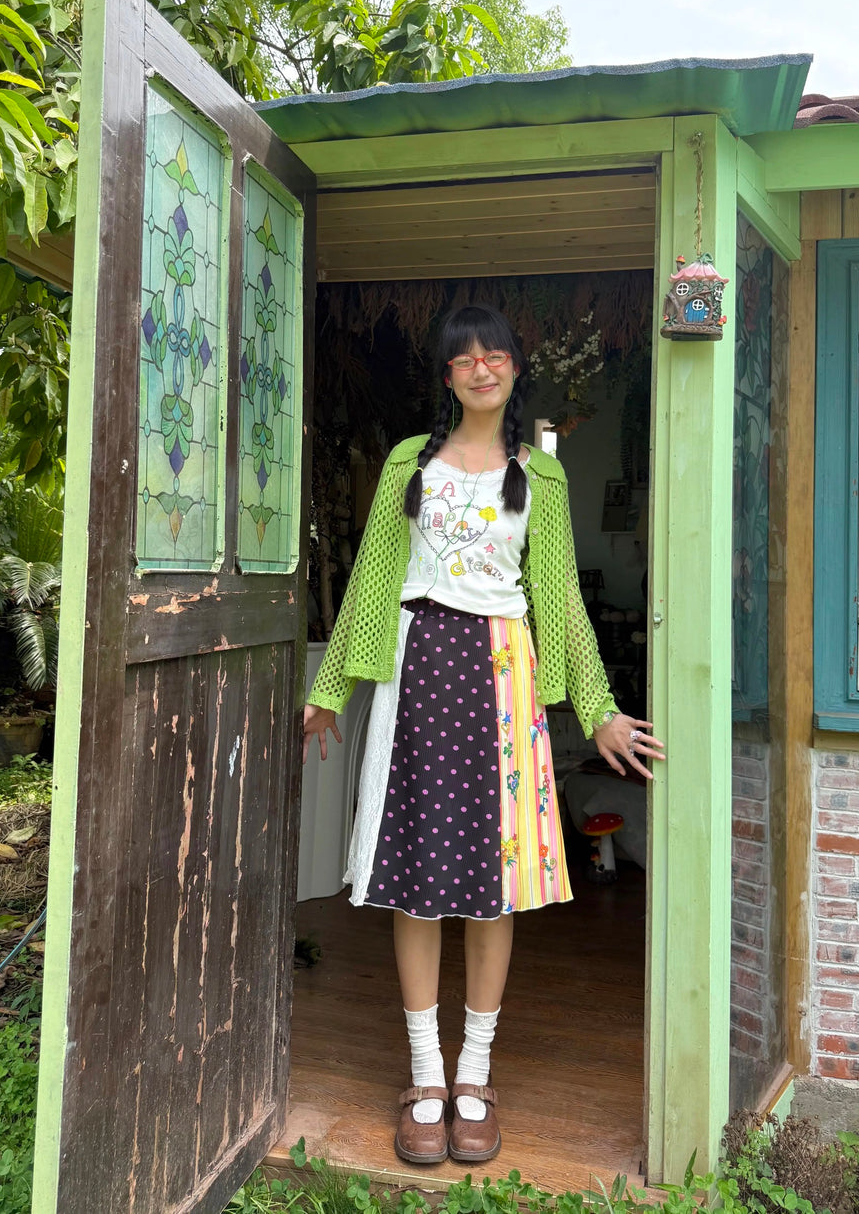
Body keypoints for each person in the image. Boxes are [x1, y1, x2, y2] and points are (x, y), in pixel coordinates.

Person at [303, 305, 664, 1166]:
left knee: (493, 880)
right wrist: (329, 687)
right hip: (414, 670)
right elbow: (371, 581)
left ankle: (474, 1074)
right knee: (416, 878)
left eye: (494, 353)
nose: (480, 367)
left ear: (512, 369)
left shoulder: (541, 475)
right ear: (448, 375)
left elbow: (562, 601)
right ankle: (425, 1076)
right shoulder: (407, 463)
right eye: (463, 357)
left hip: (502, 677)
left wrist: (601, 706)